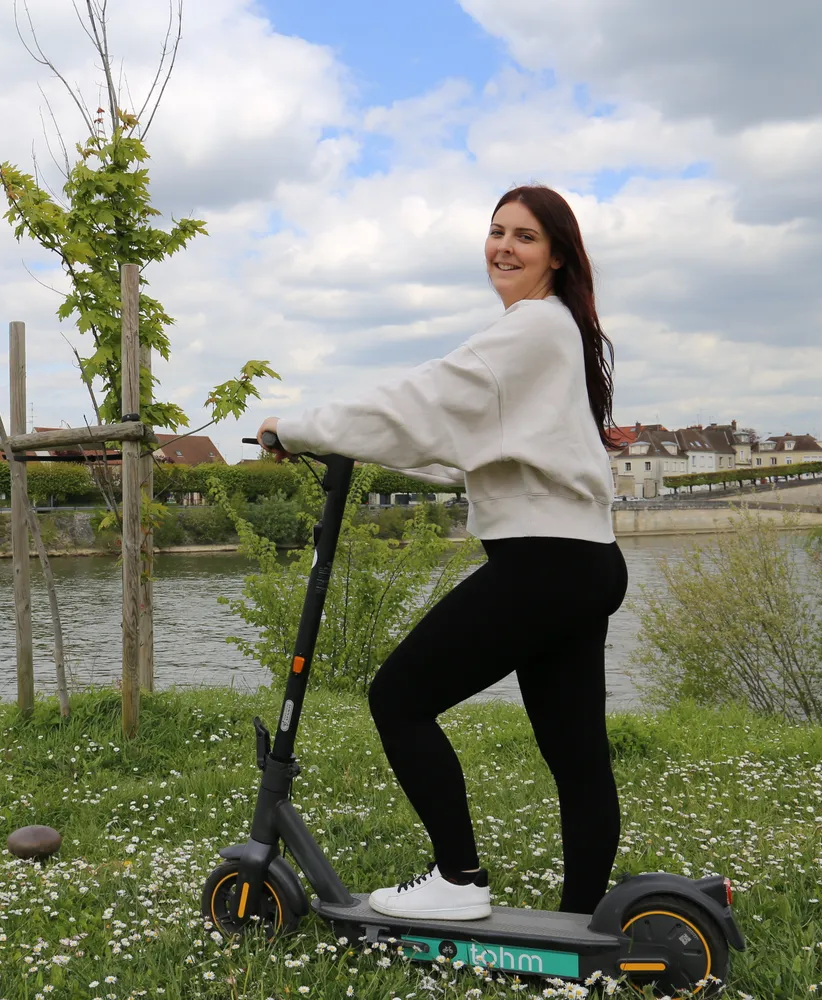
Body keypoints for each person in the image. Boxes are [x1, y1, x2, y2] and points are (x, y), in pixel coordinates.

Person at [255, 185, 628, 922]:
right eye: (496, 232)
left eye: (525, 236)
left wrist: (298, 426)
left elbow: (422, 400)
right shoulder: (557, 334)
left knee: (398, 696)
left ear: (557, 255)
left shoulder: (530, 329)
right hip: (582, 562)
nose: (504, 247)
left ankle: (457, 880)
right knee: (576, 756)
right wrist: (352, 444)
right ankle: (582, 927)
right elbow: (466, 449)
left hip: (545, 565)